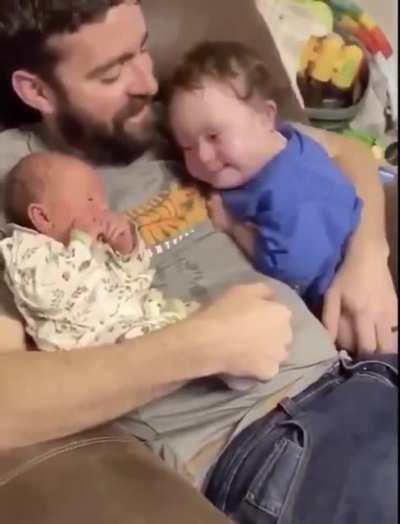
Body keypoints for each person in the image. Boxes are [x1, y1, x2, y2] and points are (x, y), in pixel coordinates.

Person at [0, 1, 397, 521]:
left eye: (142, 49)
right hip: (271, 444)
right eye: (113, 71)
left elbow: (343, 153)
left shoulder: (174, 119)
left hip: (363, 378)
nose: (146, 81)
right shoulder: (13, 179)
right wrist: (201, 347)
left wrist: (367, 259)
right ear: (37, 91)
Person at [168, 41, 363, 310]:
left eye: (214, 136)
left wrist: (232, 226)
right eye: (187, 146)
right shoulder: (283, 143)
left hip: (344, 302)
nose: (202, 156)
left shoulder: (290, 193)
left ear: (265, 118)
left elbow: (293, 270)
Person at [0, 151, 193, 351]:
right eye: (90, 199)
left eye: (103, 201)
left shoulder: (97, 246)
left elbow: (135, 276)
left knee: (184, 327)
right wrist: (81, 243)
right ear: (43, 217)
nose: (103, 208)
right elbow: (45, 295)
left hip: (135, 322)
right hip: (91, 345)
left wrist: (125, 248)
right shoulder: (28, 251)